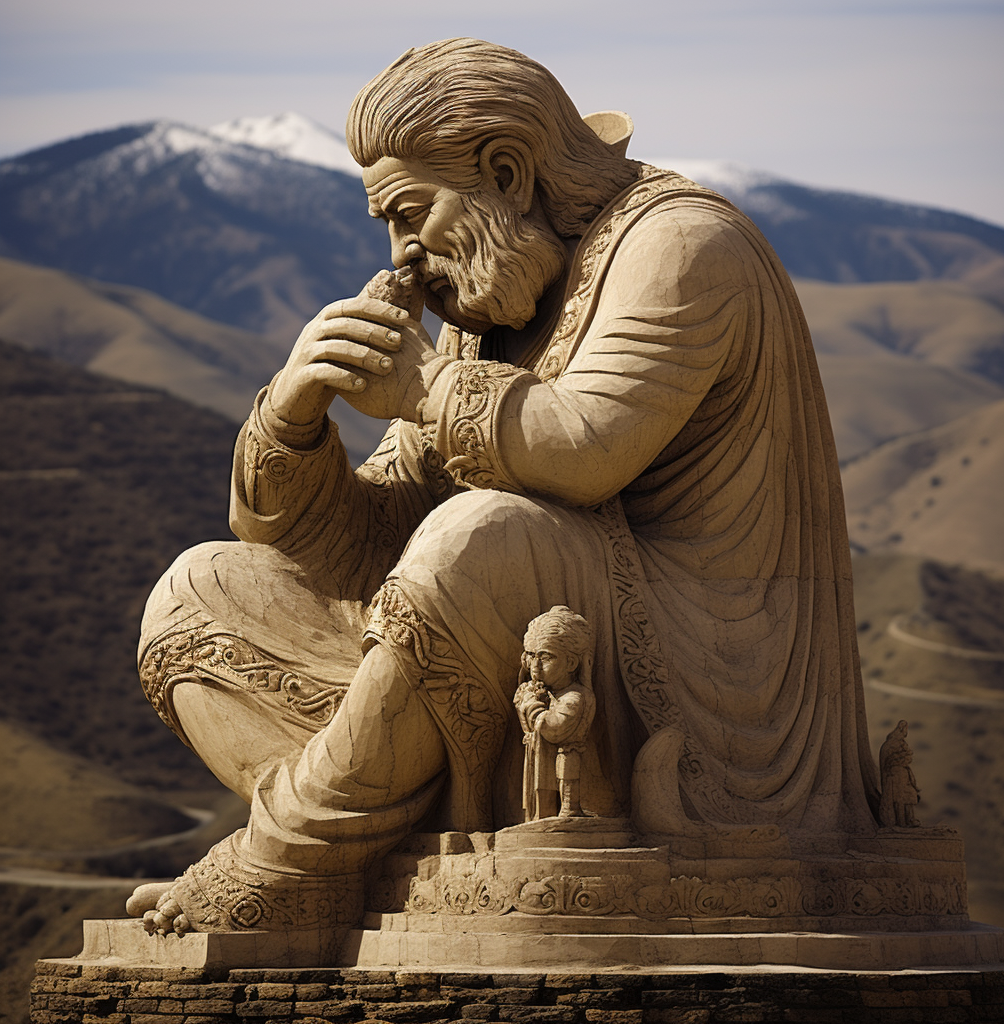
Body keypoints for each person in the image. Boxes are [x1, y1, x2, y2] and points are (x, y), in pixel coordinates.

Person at [131, 37, 881, 936]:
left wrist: (417, 387)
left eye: (411, 214)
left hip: (703, 680)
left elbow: (585, 449)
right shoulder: (485, 306)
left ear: (506, 173)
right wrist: (293, 422)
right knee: (199, 589)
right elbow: (382, 531)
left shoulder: (683, 244)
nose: (404, 255)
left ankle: (287, 856)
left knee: (482, 534)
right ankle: (361, 810)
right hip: (515, 636)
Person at [514, 607, 596, 820]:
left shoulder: (574, 697)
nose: (535, 666)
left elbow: (553, 729)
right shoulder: (545, 692)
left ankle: (569, 808)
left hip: (566, 757)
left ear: (570, 663)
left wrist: (531, 703)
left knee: (566, 768)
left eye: (546, 657)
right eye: (531, 656)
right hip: (536, 758)